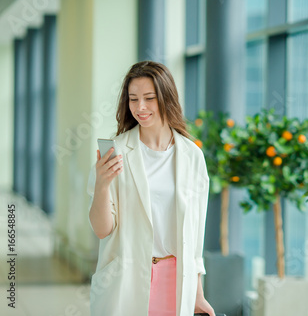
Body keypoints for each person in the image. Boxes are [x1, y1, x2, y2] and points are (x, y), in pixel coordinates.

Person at [87, 61, 215, 316]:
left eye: (149, 98)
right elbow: (103, 230)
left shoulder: (192, 156)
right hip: (126, 277)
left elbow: (196, 231)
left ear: (166, 98)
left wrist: (197, 294)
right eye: (133, 99)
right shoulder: (116, 152)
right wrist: (102, 185)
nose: (140, 108)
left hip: (177, 280)